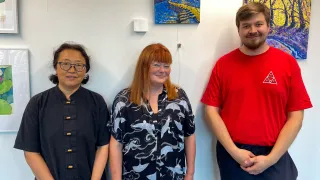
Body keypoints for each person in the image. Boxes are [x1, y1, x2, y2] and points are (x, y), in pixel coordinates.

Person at [201, 2, 312, 180]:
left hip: (275, 154)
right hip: (233, 154)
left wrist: (272, 158)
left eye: (258, 24)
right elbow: (210, 110)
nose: (253, 30)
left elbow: (296, 116)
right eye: (246, 26)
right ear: (239, 30)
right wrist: (234, 151)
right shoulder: (223, 64)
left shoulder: (287, 63)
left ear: (268, 27)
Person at [14, 43, 110, 180]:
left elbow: (103, 146)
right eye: (65, 64)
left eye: (78, 65)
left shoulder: (97, 102)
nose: (72, 70)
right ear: (55, 67)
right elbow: (30, 151)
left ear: (85, 70)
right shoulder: (37, 103)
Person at [109, 43, 196, 180]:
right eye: (156, 65)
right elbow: (116, 143)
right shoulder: (124, 101)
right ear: (144, 67)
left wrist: (190, 174)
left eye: (166, 66)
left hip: (173, 176)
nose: (163, 70)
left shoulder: (179, 97)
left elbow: (189, 135)